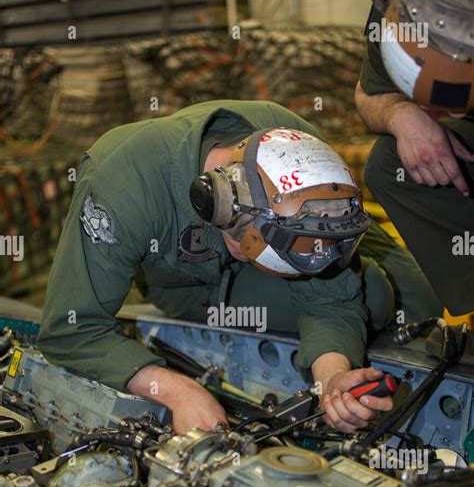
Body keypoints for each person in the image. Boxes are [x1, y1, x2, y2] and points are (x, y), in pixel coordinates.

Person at [38, 100, 441, 434]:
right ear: (219, 207)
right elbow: (71, 329)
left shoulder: (298, 145)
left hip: (293, 229)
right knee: (373, 289)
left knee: (418, 300)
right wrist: (177, 391)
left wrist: (332, 380)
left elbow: (330, 302)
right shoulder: (123, 185)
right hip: (192, 285)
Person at [355, 0, 474, 315]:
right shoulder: (398, 5)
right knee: (389, 163)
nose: (449, 117)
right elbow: (368, 93)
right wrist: (400, 115)